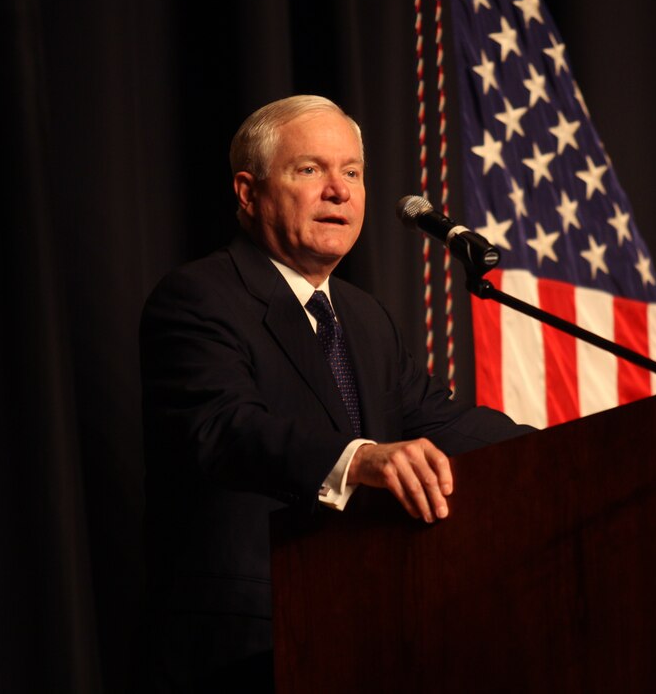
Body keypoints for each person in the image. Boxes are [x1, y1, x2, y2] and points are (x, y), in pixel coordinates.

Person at [138, 95, 532, 692]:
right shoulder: (199, 297)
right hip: (250, 644)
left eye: (351, 172)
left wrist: (581, 446)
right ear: (248, 192)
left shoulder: (365, 316)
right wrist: (358, 458)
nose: (340, 191)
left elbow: (442, 422)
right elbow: (223, 428)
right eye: (310, 170)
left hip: (369, 626)